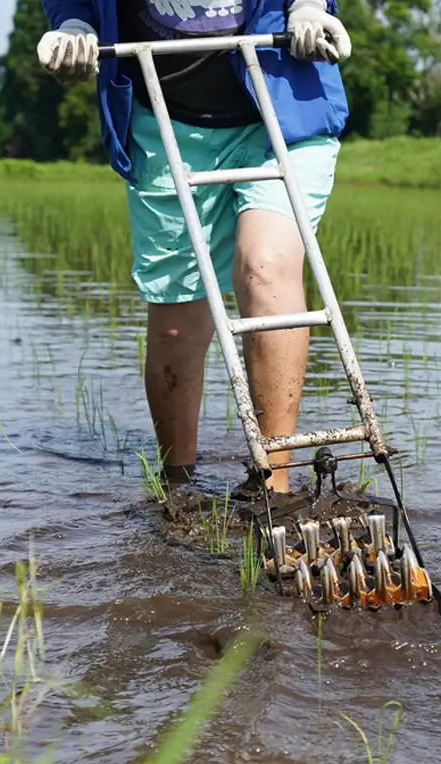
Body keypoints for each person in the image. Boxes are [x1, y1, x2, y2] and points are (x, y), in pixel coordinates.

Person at [36, 0, 353, 493]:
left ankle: (274, 485)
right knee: (177, 320)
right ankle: (178, 486)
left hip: (282, 104)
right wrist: (73, 23)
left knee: (265, 266)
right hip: (165, 120)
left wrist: (310, 6)